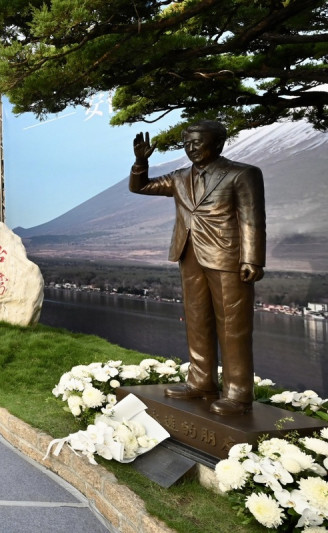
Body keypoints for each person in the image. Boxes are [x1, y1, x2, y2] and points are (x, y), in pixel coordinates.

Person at [130, 120, 266, 416]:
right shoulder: (180, 177)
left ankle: (238, 394)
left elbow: (251, 219)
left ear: (217, 144)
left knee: (233, 326)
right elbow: (140, 187)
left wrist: (253, 259)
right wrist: (141, 163)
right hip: (188, 254)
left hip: (228, 258)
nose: (191, 148)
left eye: (197, 143)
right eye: (187, 143)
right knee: (196, 321)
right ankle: (201, 382)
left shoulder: (242, 174)